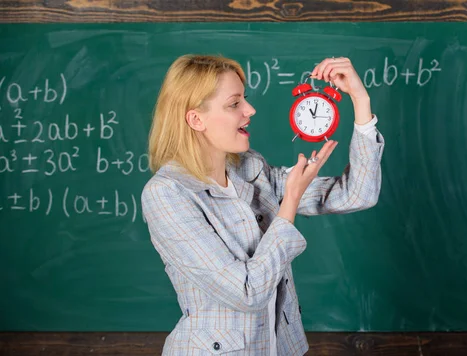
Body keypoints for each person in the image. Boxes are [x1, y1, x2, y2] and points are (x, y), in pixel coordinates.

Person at [141, 54, 384, 356]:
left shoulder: (251, 169)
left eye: (245, 99)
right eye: (234, 104)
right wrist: (290, 201)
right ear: (196, 119)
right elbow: (246, 292)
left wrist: (361, 102)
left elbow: (358, 193)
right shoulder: (168, 194)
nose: (250, 110)